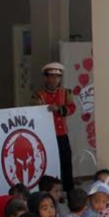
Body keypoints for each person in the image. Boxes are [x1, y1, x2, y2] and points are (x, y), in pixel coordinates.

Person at [33, 63, 76, 191]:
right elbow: (36, 111)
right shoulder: (38, 95)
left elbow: (72, 108)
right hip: (46, 136)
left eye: (57, 77)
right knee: (49, 164)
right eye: (51, 76)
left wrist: (59, 109)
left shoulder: (66, 92)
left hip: (62, 133)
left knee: (66, 163)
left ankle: (68, 190)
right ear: (46, 78)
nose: (54, 80)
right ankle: (51, 192)